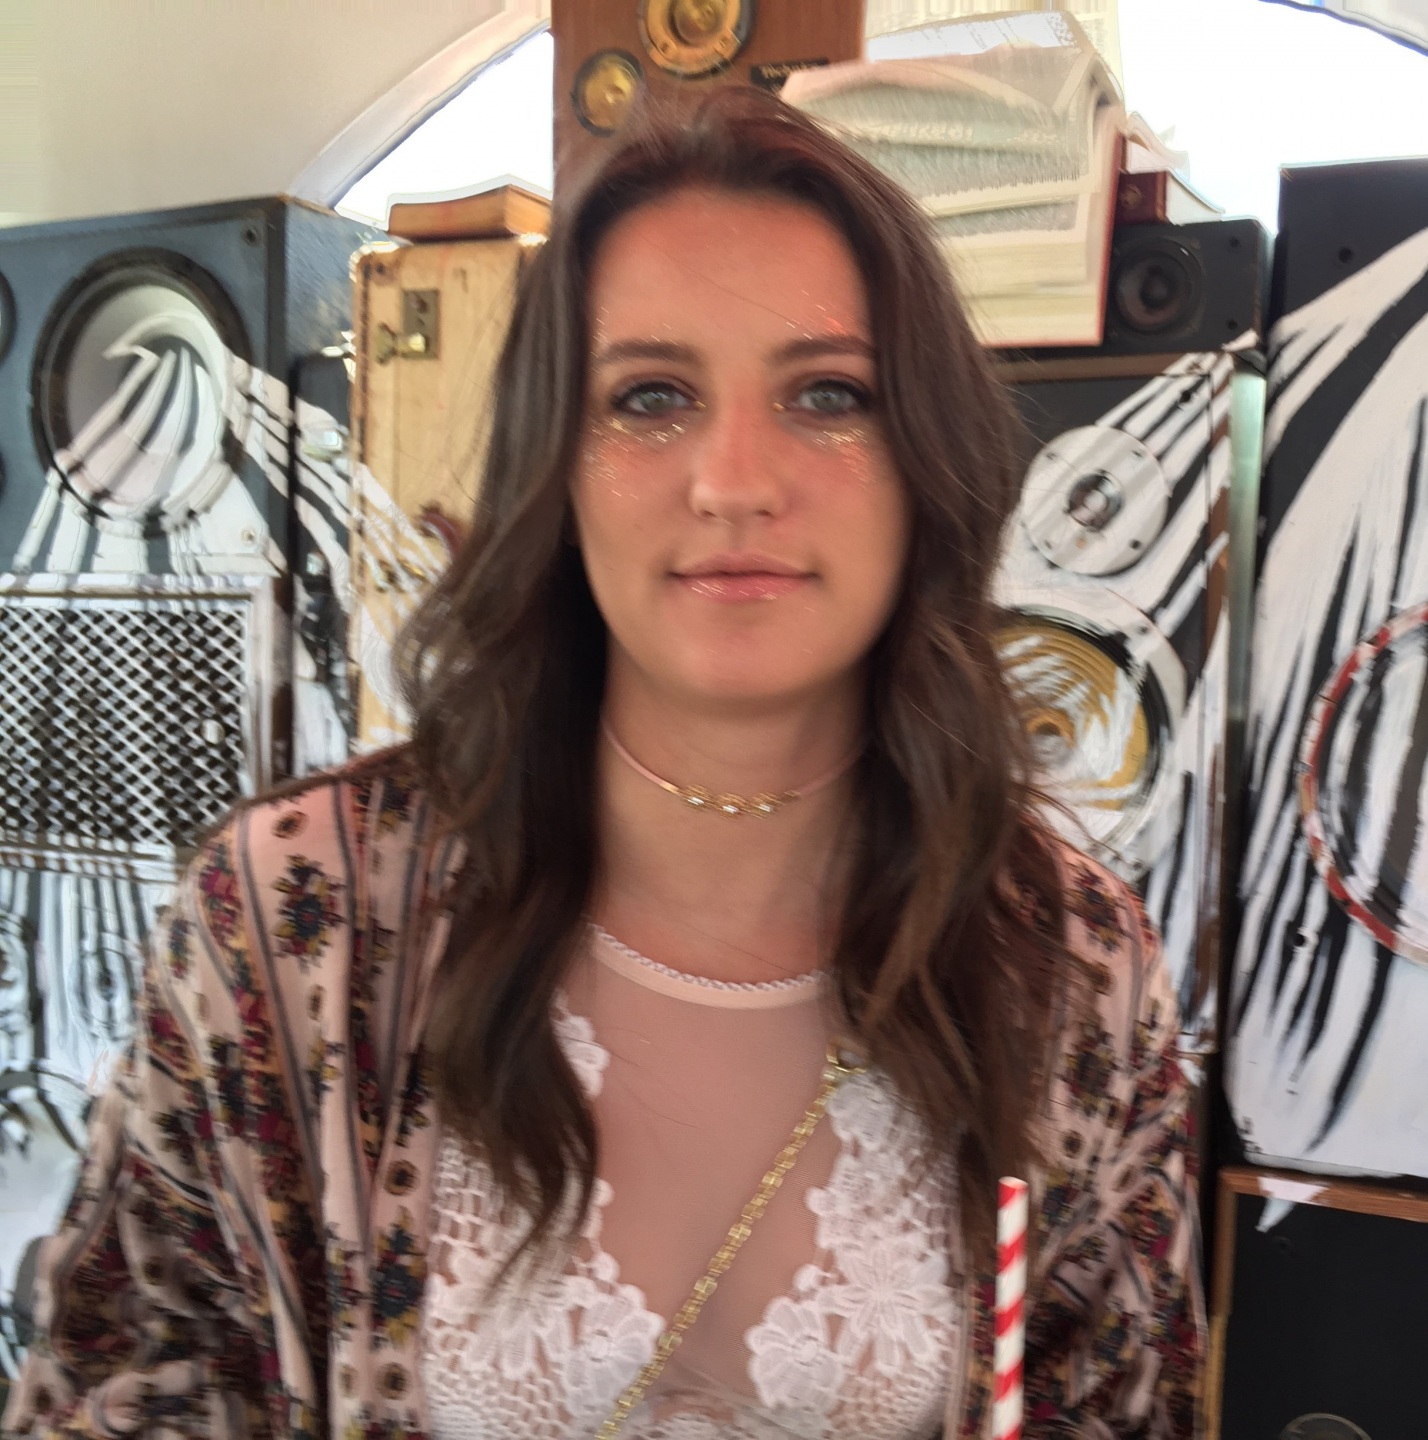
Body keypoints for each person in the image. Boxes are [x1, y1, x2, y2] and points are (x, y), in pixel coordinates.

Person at [3, 86, 1204, 1440]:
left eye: (829, 395)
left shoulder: (1070, 969)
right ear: (554, 470)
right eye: (651, 398)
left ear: (927, 460)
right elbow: (120, 1391)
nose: (733, 480)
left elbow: (1124, 1410)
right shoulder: (291, 924)